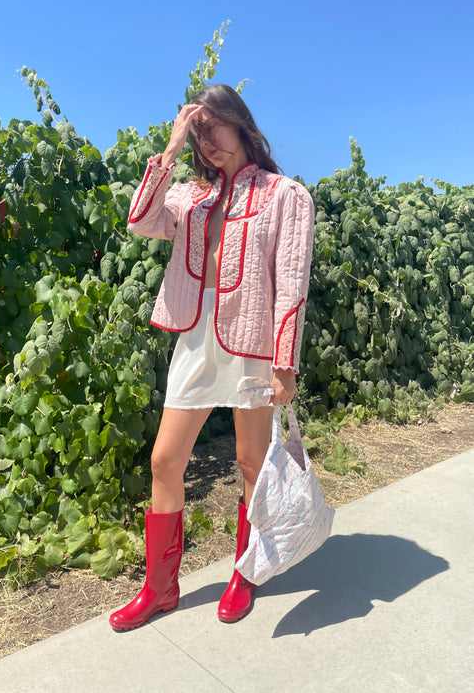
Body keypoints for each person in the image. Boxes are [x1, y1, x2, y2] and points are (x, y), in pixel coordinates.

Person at [109, 84, 315, 631]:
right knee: (164, 460)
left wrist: (285, 361)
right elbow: (140, 221)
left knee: (251, 462)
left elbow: (291, 284)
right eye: (199, 133)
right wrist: (172, 148)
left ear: (241, 123)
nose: (209, 142)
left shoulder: (285, 195)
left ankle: (244, 573)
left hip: (252, 346)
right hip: (196, 341)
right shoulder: (189, 194)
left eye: (214, 127)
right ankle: (160, 589)